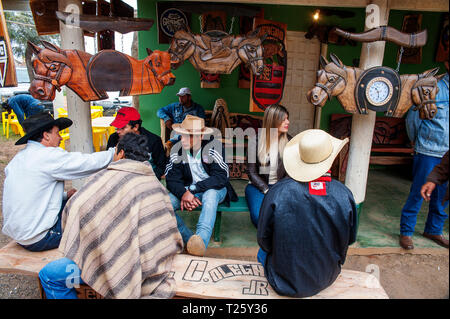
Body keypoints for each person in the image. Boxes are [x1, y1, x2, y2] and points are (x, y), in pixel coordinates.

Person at [38, 133, 183, 299]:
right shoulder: (155, 185)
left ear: (120, 153)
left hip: (117, 267)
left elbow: (75, 206)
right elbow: (168, 229)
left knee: (49, 275)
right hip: (155, 262)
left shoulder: (103, 178)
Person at [257, 129, 357, 298]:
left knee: (262, 254)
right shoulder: (345, 194)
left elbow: (263, 240)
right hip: (326, 276)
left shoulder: (278, 192)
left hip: (282, 280)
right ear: (330, 161)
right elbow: (350, 239)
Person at [2, 112, 115, 252]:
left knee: (73, 201)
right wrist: (114, 153)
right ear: (46, 135)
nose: (61, 137)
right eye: (57, 133)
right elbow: (87, 163)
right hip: (39, 238)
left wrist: (64, 196)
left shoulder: (19, 158)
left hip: (20, 233)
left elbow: (29, 194)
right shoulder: (47, 156)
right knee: (96, 220)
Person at [165, 115, 238, 256]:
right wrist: (183, 193)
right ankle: (190, 241)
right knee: (164, 205)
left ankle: (201, 242)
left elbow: (221, 177)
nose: (183, 139)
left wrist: (193, 190)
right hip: (188, 191)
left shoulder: (214, 147)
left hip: (215, 189)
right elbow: (171, 179)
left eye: (190, 136)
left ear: (201, 136)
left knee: (210, 195)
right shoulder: (177, 150)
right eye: (182, 135)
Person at [400, 62, 449, 250]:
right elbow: (413, 119)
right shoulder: (432, 87)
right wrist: (417, 143)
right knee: (418, 193)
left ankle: (434, 230)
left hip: (448, 154)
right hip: (428, 150)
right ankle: (406, 232)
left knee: (442, 197)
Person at [245, 104, 291, 227]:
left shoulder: (290, 143)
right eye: (283, 119)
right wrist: (266, 189)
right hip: (258, 187)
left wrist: (278, 190)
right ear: (273, 120)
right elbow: (251, 172)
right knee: (258, 216)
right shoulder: (255, 141)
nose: (288, 122)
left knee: (285, 215)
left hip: (281, 187)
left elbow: (291, 172)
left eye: (287, 118)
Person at [106, 107, 167, 179]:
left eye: (122, 128)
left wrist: (146, 179)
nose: (118, 131)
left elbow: (161, 166)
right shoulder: (113, 138)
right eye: (117, 128)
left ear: (135, 127)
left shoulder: (154, 141)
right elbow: (109, 162)